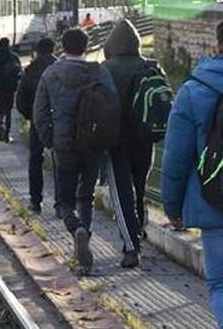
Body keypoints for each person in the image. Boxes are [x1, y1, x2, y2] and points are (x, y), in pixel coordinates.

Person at [33, 28, 115, 274]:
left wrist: (50, 139)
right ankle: (85, 247)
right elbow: (112, 105)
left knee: (65, 199)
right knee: (86, 196)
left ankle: (75, 227)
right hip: (93, 144)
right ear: (87, 47)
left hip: (64, 144)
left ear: (62, 46)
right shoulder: (99, 71)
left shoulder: (51, 73)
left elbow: (39, 112)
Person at [163, 22, 223, 327]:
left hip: (214, 206)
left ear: (217, 46)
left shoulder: (194, 90)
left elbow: (175, 158)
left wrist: (172, 209)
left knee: (221, 284)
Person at [102, 19, 159, 268]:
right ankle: (141, 227)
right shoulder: (151, 66)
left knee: (122, 192)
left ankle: (130, 246)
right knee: (140, 186)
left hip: (115, 140)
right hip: (145, 139)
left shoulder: (105, 69)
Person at [16, 38, 57, 214]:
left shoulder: (30, 71)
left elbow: (20, 101)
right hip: (58, 122)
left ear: (38, 51)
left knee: (35, 160)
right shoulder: (60, 69)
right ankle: (60, 203)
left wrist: (31, 116)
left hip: (37, 122)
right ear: (53, 49)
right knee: (60, 162)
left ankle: (35, 200)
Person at [0, 37, 22, 143]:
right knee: (8, 111)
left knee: (0, 109)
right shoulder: (14, 57)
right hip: (10, 88)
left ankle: (1, 124)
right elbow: (19, 73)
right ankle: (7, 134)